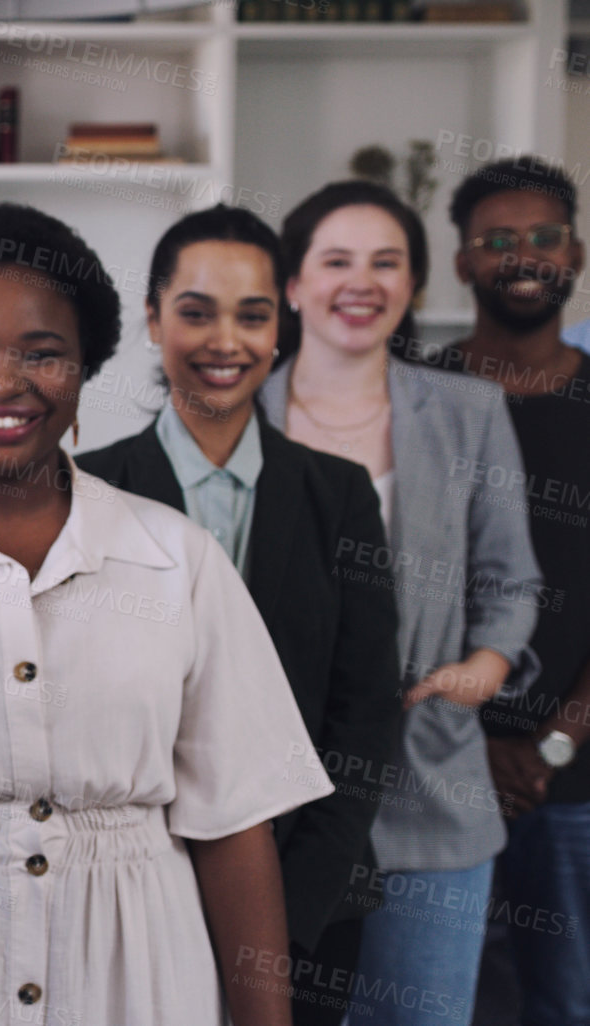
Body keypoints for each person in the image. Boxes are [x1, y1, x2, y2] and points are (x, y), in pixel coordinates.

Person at [0, 202, 331, 1026]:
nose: (2, 382)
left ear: (85, 365)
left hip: (143, 981)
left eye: (42, 353)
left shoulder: (176, 557)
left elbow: (234, 830)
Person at [76, 204, 404, 1026]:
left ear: (280, 325)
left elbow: (363, 719)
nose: (225, 340)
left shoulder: (338, 497)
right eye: (195, 312)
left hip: (312, 902)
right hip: (133, 896)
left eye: (251, 315)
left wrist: (275, 917)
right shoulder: (84, 490)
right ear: (152, 320)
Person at [259, 179, 544, 1026]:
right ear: (293, 285)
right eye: (336, 260)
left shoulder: (466, 411)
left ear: (414, 285)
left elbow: (508, 576)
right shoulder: (239, 413)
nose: (362, 281)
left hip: (431, 782)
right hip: (277, 792)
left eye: (386, 263)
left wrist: (485, 669)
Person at [435, 158, 590, 1026]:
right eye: (497, 240)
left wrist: (551, 747)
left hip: (570, 786)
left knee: (565, 1005)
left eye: (542, 237)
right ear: (461, 262)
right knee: (436, 1001)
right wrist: (467, 744)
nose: (522, 256)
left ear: (573, 253)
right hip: (428, 772)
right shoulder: (409, 392)